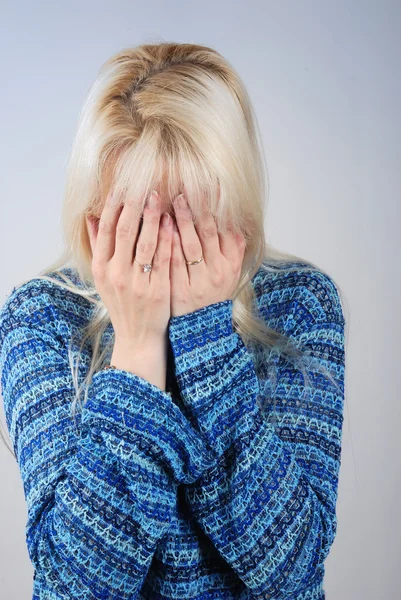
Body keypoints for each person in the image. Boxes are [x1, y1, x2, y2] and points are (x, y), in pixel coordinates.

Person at [0, 42, 346, 599]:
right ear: (95, 216)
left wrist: (204, 334)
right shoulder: (41, 319)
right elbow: (72, 589)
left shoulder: (300, 305)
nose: (164, 248)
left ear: (236, 212)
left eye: (189, 219)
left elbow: (293, 571)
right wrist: (136, 350)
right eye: (137, 218)